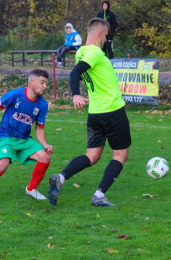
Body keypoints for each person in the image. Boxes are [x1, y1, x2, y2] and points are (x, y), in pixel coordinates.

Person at [48, 18, 131, 207]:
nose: (106, 40)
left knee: (92, 156)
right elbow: (74, 73)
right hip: (112, 111)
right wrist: (76, 95)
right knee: (120, 156)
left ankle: (60, 177)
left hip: (95, 112)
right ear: (100, 33)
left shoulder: (81, 52)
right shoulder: (94, 52)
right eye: (106, 35)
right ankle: (99, 195)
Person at [0, 69, 53, 208]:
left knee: (45, 157)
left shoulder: (42, 105)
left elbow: (39, 127)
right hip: (6, 137)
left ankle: (31, 189)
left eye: (46, 83)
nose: (45, 86)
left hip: (24, 139)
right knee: (3, 165)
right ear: (32, 82)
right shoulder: (16, 94)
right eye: (42, 83)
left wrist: (44, 144)